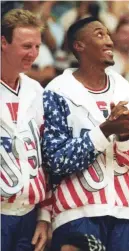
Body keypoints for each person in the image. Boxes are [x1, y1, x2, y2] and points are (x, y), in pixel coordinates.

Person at [41, 17, 129, 251]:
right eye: (99, 35)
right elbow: (55, 160)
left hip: (125, 212)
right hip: (76, 213)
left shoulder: (126, 91)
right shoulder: (57, 91)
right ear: (79, 46)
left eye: (109, 35)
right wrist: (105, 131)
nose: (109, 41)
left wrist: (123, 137)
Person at [1, 9, 50, 251]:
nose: (33, 54)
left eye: (37, 47)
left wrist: (44, 216)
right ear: (3, 42)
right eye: (26, 46)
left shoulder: (37, 91)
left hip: (29, 215)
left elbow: (45, 158)